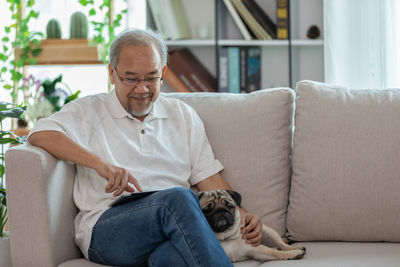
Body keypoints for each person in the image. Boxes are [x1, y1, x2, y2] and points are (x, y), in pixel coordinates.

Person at [28, 28, 262, 266]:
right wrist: (100, 164)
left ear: (163, 72)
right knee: (179, 198)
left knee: (170, 257)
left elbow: (208, 178)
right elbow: (39, 134)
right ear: (112, 72)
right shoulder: (88, 111)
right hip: (108, 228)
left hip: (174, 228)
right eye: (131, 79)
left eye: (151, 78)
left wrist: (243, 216)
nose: (142, 89)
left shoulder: (182, 115)